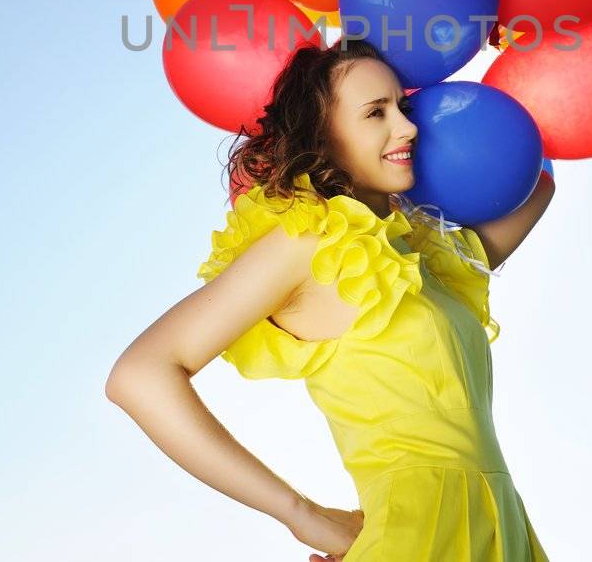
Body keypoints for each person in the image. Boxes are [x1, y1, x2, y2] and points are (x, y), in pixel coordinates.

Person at [106, 36, 555, 560]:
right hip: (416, 533)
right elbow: (138, 375)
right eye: (375, 112)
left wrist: (483, 34)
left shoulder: (426, 258)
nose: (408, 127)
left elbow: (538, 182)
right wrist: (303, 515)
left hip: (501, 529)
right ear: (323, 137)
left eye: (405, 107)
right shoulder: (306, 244)